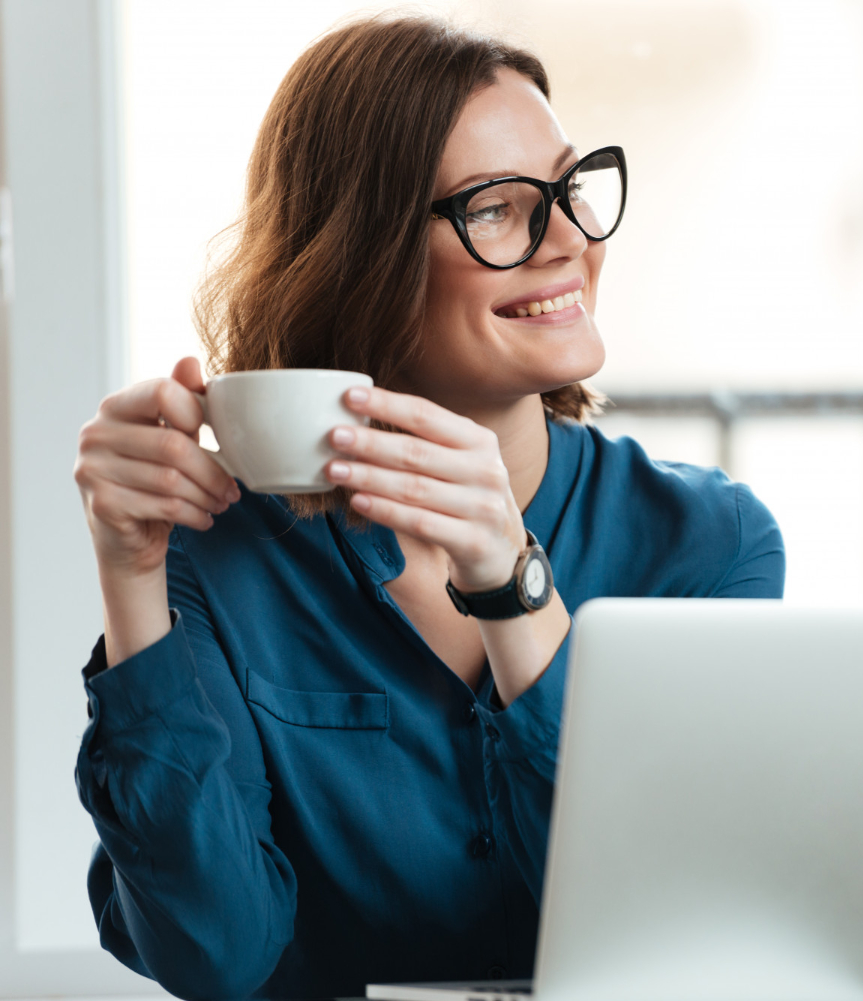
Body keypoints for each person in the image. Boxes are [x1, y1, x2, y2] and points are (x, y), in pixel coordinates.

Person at [70, 16, 784, 1001]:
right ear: (358, 258)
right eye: (498, 208)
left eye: (570, 189)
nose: (571, 240)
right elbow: (213, 953)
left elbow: (680, 932)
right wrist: (130, 578)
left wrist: (514, 583)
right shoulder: (219, 560)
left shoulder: (710, 545)